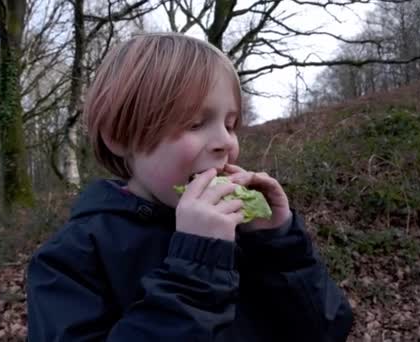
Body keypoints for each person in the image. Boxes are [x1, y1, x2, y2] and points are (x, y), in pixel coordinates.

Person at [26, 32, 353, 341]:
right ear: (120, 136)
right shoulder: (72, 260)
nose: (226, 141)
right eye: (195, 123)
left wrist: (280, 246)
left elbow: (326, 330)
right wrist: (195, 271)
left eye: (230, 124)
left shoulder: (241, 234)